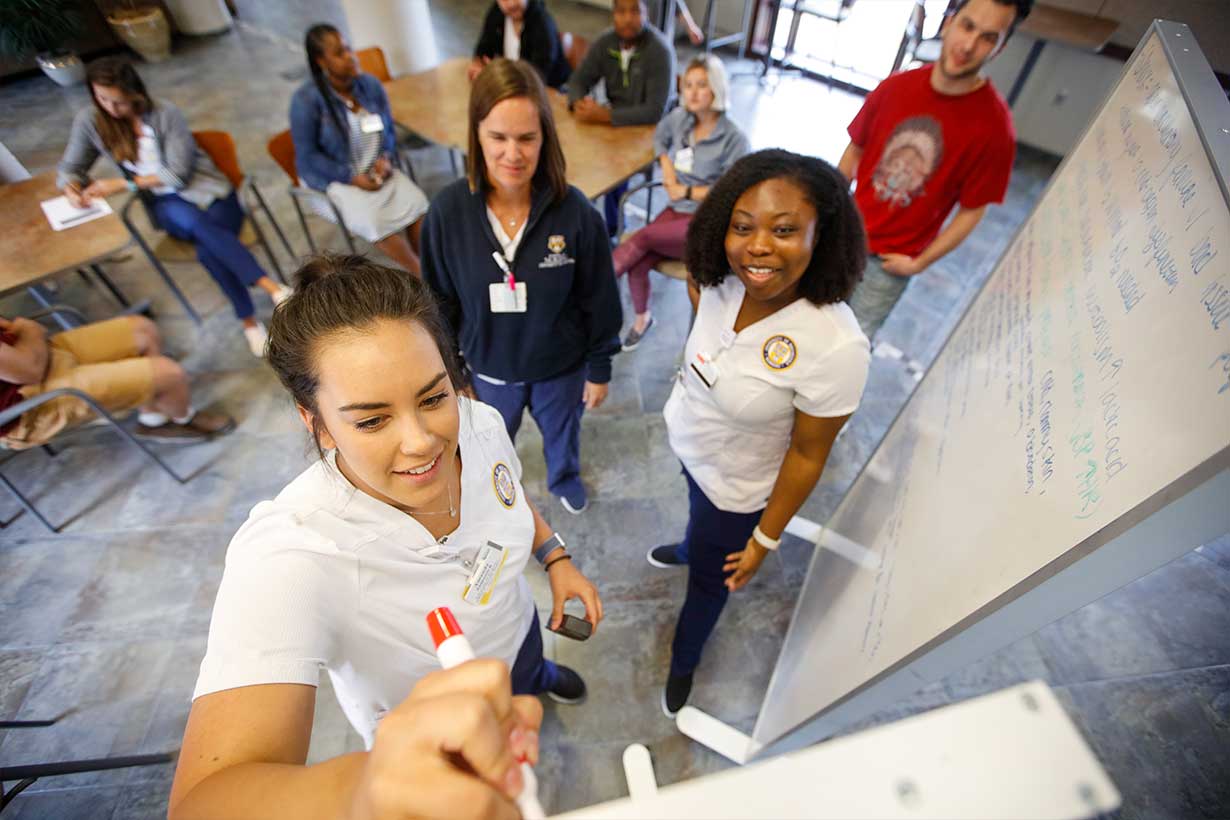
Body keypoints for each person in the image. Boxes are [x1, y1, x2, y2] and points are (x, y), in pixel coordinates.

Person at [169, 255, 602, 818]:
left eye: (432, 397)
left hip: (515, 630)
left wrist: (554, 556)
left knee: (526, 674)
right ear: (314, 420)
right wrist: (367, 789)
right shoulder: (293, 553)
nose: (422, 442)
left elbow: (509, 496)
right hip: (429, 725)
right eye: (372, 421)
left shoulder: (479, 424)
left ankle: (536, 676)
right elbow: (204, 801)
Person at [650, 150, 871, 717]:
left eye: (785, 229)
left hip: (736, 491)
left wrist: (764, 540)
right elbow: (706, 325)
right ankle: (689, 543)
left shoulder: (835, 345)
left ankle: (682, 662)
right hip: (690, 447)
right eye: (742, 226)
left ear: (822, 235)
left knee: (710, 582)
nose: (759, 246)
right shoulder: (718, 281)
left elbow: (807, 453)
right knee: (696, 528)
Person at [422, 59, 622, 516]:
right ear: (476, 135)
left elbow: (600, 299)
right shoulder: (447, 214)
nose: (513, 153)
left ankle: (564, 477)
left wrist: (600, 368)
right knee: (490, 446)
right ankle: (498, 489)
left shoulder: (577, 215)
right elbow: (436, 307)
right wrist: (454, 377)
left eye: (527, 138)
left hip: (561, 369)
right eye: (498, 137)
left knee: (563, 433)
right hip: (489, 372)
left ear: (545, 137)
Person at [58, 57, 289, 358]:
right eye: (102, 100)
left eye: (119, 102)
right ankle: (273, 288)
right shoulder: (91, 121)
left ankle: (248, 321)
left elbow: (178, 174)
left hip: (209, 193)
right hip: (166, 204)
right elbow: (69, 167)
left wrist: (124, 185)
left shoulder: (165, 114)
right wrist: (71, 187)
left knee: (208, 247)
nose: (112, 109)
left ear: (133, 93)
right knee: (193, 221)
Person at [839, 0, 1031, 340]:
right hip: (845, 234)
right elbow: (855, 150)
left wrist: (919, 263)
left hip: (890, 264)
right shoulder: (895, 87)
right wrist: (832, 212)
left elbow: (972, 212)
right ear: (949, 24)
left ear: (1000, 48)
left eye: (988, 37)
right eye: (967, 26)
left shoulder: (995, 129)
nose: (969, 46)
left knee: (851, 342)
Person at [612, 54, 749, 351]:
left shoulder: (734, 138)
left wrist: (686, 193)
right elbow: (660, 138)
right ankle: (642, 319)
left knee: (643, 236)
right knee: (638, 260)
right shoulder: (680, 118)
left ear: (716, 89)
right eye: (688, 85)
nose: (693, 92)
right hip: (675, 212)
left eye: (701, 85)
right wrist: (668, 168)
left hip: (708, 223)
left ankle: (590, 289)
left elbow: (733, 192)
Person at [291, 24, 429, 275]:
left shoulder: (370, 87)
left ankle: (429, 266)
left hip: (375, 169)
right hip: (335, 180)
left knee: (417, 203)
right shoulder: (306, 101)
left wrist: (385, 159)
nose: (351, 57)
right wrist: (351, 177)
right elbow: (308, 158)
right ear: (321, 61)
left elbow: (387, 132)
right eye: (340, 53)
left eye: (349, 49)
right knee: (375, 221)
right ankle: (420, 274)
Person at [0, 314, 234, 449]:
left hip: (39, 354)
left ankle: (153, 417)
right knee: (170, 374)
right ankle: (183, 416)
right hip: (28, 403)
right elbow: (29, 370)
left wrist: (26, 337)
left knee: (143, 330)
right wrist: (29, 329)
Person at [566, 0, 676, 236]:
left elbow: (654, 111)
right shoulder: (605, 42)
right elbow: (578, 80)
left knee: (614, 169)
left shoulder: (660, 51)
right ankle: (583, 221)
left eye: (635, 11)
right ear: (613, 14)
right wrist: (578, 101)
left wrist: (606, 116)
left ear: (646, 13)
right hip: (612, 127)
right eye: (621, 11)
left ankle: (610, 230)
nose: (628, 18)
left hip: (647, 134)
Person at [469, 0, 571, 89]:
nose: (511, 4)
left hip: (547, 88)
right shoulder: (497, 12)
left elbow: (538, 73)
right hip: (513, 80)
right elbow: (484, 45)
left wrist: (498, 75)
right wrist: (479, 63)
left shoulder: (542, 23)